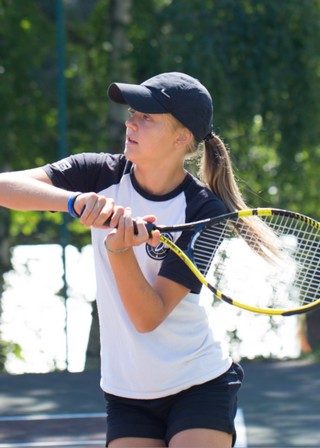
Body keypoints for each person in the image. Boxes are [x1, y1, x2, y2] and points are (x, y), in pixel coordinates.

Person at [0, 72, 246, 448]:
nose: (131, 122)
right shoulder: (99, 172)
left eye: (147, 117)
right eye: (133, 113)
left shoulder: (204, 211)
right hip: (127, 392)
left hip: (199, 383)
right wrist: (73, 201)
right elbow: (5, 186)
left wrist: (119, 252)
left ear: (182, 138)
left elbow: (149, 316)